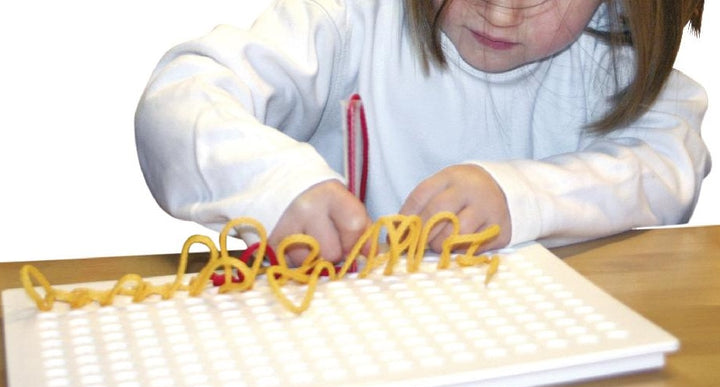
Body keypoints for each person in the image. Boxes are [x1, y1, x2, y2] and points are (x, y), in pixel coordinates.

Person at [135, 0, 709, 265]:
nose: (502, 13)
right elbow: (181, 98)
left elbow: (669, 161)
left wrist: (524, 197)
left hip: (535, 368)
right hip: (346, 359)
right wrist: (274, 183)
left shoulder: (610, 57)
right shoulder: (351, 22)